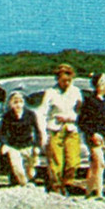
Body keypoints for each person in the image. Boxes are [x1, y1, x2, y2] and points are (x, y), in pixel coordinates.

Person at [40, 63, 84, 194]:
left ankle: (67, 182)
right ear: (58, 79)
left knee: (73, 161)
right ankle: (56, 186)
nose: (66, 83)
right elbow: (43, 111)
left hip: (71, 128)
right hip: (55, 128)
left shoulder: (76, 92)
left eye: (69, 80)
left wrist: (73, 117)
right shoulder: (51, 92)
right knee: (56, 161)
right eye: (64, 80)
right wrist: (44, 132)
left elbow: (81, 110)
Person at [0, 90, 44, 186]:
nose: (18, 105)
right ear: (11, 104)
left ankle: (30, 181)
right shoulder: (7, 116)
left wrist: (37, 145)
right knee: (18, 168)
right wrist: (5, 144)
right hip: (14, 146)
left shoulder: (30, 114)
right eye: (15, 102)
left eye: (20, 102)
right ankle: (24, 184)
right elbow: (2, 132)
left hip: (28, 145)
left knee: (31, 172)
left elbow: (37, 130)